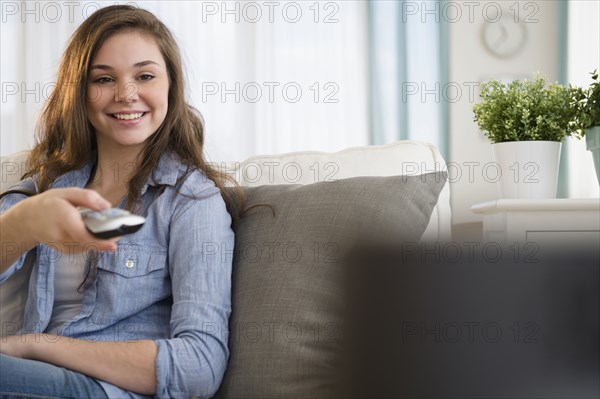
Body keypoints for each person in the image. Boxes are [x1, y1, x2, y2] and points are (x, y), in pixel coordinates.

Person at [0, 5, 235, 398]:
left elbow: (200, 366)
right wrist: (25, 223)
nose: (126, 94)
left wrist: (36, 345)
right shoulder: (49, 186)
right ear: (80, 92)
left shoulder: (192, 201)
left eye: (144, 76)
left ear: (170, 86)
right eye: (104, 79)